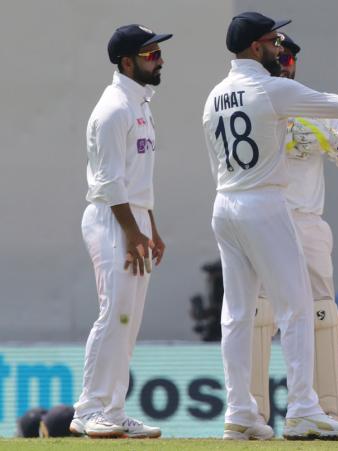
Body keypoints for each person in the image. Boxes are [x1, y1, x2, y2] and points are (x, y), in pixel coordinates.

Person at [202, 11, 338, 441]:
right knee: (296, 310)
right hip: (264, 204)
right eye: (273, 42)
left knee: (236, 315)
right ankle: (302, 410)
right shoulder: (273, 88)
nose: (279, 49)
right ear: (256, 47)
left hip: (225, 204)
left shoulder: (215, 95)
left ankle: (240, 412)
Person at [250, 32, 338, 423]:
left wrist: (326, 138)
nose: (284, 65)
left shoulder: (314, 103)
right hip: (267, 216)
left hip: (308, 222)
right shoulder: (256, 100)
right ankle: (254, 412)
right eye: (278, 58)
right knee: (260, 312)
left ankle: (326, 408)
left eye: (288, 60)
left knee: (321, 311)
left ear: (295, 63)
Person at [69, 24, 170, 439]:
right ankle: (88, 410)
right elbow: (110, 182)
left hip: (134, 218)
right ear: (126, 62)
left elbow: (137, 177)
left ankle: (113, 408)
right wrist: (132, 231)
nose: (159, 59)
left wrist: (152, 228)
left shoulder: (140, 104)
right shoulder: (113, 108)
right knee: (115, 314)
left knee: (128, 319)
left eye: (158, 53)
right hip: (112, 219)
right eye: (150, 54)